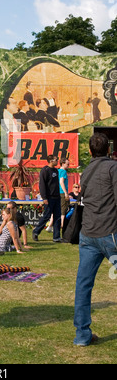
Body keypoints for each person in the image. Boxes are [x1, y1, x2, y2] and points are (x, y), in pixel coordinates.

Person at [73, 133, 117, 346]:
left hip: (88, 235)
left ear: (90, 151)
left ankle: (82, 335)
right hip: (109, 234)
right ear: (108, 150)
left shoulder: (86, 171)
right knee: (83, 284)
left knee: (83, 285)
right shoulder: (113, 168)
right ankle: (82, 335)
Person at [32, 155, 62, 242]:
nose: (57, 161)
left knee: (57, 217)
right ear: (51, 161)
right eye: (56, 159)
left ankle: (56, 237)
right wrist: (44, 197)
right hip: (49, 198)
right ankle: (36, 231)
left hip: (57, 197)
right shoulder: (45, 170)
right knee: (46, 216)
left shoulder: (56, 170)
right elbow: (42, 185)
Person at [58, 158, 70, 230]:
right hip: (62, 192)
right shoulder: (63, 171)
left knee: (57, 209)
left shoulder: (57, 171)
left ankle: (50, 225)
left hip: (57, 192)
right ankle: (62, 225)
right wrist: (66, 193)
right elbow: (61, 182)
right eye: (67, 164)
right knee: (63, 210)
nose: (68, 165)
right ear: (63, 164)